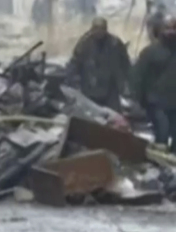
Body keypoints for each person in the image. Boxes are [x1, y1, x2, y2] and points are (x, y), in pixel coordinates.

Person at [64, 17, 132, 111]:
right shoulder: (85, 43)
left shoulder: (114, 43)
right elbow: (75, 61)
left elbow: (125, 63)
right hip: (90, 87)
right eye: (96, 28)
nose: (99, 31)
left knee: (113, 115)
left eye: (102, 28)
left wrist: (126, 82)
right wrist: (71, 80)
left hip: (110, 87)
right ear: (92, 29)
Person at [131, 15, 176, 150]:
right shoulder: (151, 52)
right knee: (162, 132)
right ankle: (160, 163)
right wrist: (137, 99)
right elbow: (138, 75)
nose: (172, 31)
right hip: (157, 101)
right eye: (168, 28)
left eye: (174, 28)